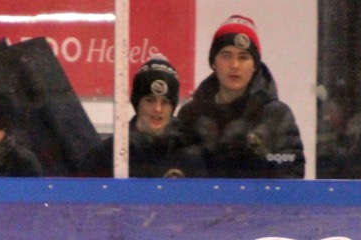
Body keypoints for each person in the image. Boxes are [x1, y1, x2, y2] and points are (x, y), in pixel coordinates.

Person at [175, 15, 305, 179]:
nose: (235, 65)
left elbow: (291, 180)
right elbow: (177, 176)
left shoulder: (277, 116)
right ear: (213, 62)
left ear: (255, 65)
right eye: (226, 55)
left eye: (243, 57)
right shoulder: (190, 115)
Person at [79, 56, 206, 178]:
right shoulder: (110, 153)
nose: (158, 109)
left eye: (165, 102)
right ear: (137, 103)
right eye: (150, 100)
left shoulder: (190, 153)